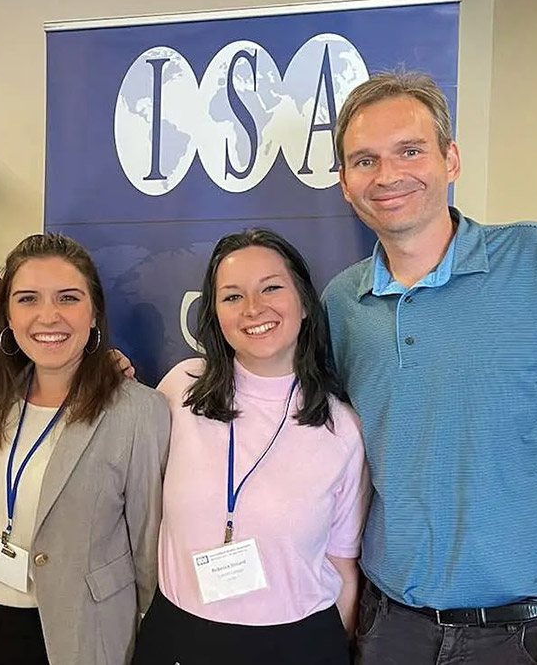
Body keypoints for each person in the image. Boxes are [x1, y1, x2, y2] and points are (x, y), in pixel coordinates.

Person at [323, 70, 537, 665]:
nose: (388, 174)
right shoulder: (340, 303)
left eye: (410, 150)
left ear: (451, 159)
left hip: (527, 636)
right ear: (345, 184)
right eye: (364, 160)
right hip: (388, 628)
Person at [132, 229, 369, 665]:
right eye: (232, 296)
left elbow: (342, 568)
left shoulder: (342, 428)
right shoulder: (179, 389)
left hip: (298, 644)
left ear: (303, 302)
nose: (253, 309)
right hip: (179, 636)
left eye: (272, 288)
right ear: (214, 313)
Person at [0, 233, 170, 665]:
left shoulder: (138, 412)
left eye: (68, 298)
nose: (47, 316)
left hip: (80, 633)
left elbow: (149, 551)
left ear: (94, 314)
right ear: (9, 318)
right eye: (28, 299)